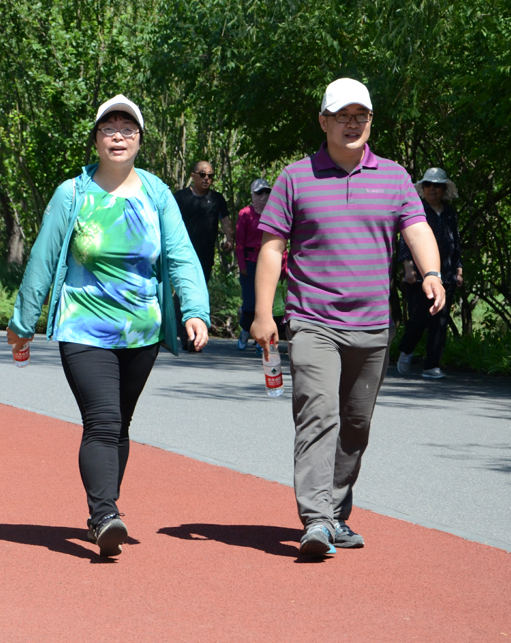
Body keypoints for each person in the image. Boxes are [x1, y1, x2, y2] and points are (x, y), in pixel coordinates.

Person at [6, 95, 210, 558]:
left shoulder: (156, 193)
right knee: (102, 420)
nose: (118, 136)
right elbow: (42, 257)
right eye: (109, 128)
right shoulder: (73, 194)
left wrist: (196, 309)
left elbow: (180, 254)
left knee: (120, 425)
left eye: (128, 129)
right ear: (96, 138)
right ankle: (104, 515)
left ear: (140, 139)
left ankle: (104, 508)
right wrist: (23, 321)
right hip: (84, 326)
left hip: (143, 331)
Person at [250, 78, 445, 557]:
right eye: (343, 115)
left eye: (361, 115)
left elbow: (417, 229)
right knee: (319, 415)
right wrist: (262, 312)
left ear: (371, 121)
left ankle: (335, 512)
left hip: (374, 324)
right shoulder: (295, 177)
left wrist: (433, 272)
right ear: (324, 121)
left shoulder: (395, 176)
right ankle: (316, 520)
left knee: (355, 425)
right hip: (312, 319)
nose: (353, 123)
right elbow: (272, 248)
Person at [396, 168, 462, 379]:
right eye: (428, 185)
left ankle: (431, 366)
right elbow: (406, 239)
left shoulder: (450, 212)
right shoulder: (417, 210)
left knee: (440, 320)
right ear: (422, 188)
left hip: (447, 275)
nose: (432, 189)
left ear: (444, 189)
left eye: (437, 185)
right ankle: (406, 349)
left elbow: (456, 242)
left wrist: (459, 269)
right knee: (418, 318)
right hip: (419, 276)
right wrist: (408, 267)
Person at [173, 161, 234, 283]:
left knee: (201, 286)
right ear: (193, 176)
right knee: (185, 287)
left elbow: (225, 220)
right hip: (183, 252)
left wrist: (230, 239)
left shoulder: (217, 199)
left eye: (210, 176)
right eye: (202, 174)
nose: (206, 178)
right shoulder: (180, 197)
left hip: (206, 254)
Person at [235, 179, 271, 351]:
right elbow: (239, 242)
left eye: (266, 192)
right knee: (249, 304)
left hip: (267, 263)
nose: (263, 196)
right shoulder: (245, 214)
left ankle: (259, 337)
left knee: (264, 303)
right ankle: (245, 329)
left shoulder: (273, 214)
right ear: (252, 194)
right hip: (249, 263)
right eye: (259, 193)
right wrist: (241, 262)